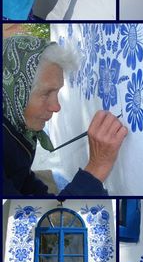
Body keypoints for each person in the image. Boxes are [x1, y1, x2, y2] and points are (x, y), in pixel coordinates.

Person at [3, 32, 128, 196]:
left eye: (57, 92)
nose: (56, 107)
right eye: (46, 93)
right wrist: (97, 167)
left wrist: (45, 198)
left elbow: (20, 177)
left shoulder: (16, 127)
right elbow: (29, 218)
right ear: (13, 90)